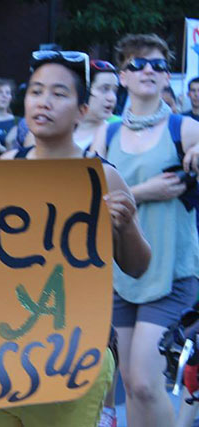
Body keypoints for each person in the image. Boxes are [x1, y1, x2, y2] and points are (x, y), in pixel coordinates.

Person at [0, 50, 151, 427]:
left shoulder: (103, 176)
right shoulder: (2, 170)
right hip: (0, 356)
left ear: (82, 110)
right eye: (36, 92)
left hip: (75, 359)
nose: (44, 102)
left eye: (58, 93)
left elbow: (137, 266)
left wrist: (127, 224)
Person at [90, 33, 199, 427]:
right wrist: (143, 192)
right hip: (121, 274)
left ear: (168, 76)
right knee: (130, 383)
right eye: (136, 64)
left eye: (156, 64)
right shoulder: (109, 134)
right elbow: (93, 201)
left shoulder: (184, 128)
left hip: (172, 272)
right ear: (122, 77)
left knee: (146, 383)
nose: (147, 71)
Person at [73, 59, 120, 150]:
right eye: (104, 89)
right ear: (83, 91)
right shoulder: (56, 132)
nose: (112, 98)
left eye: (115, 91)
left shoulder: (118, 133)